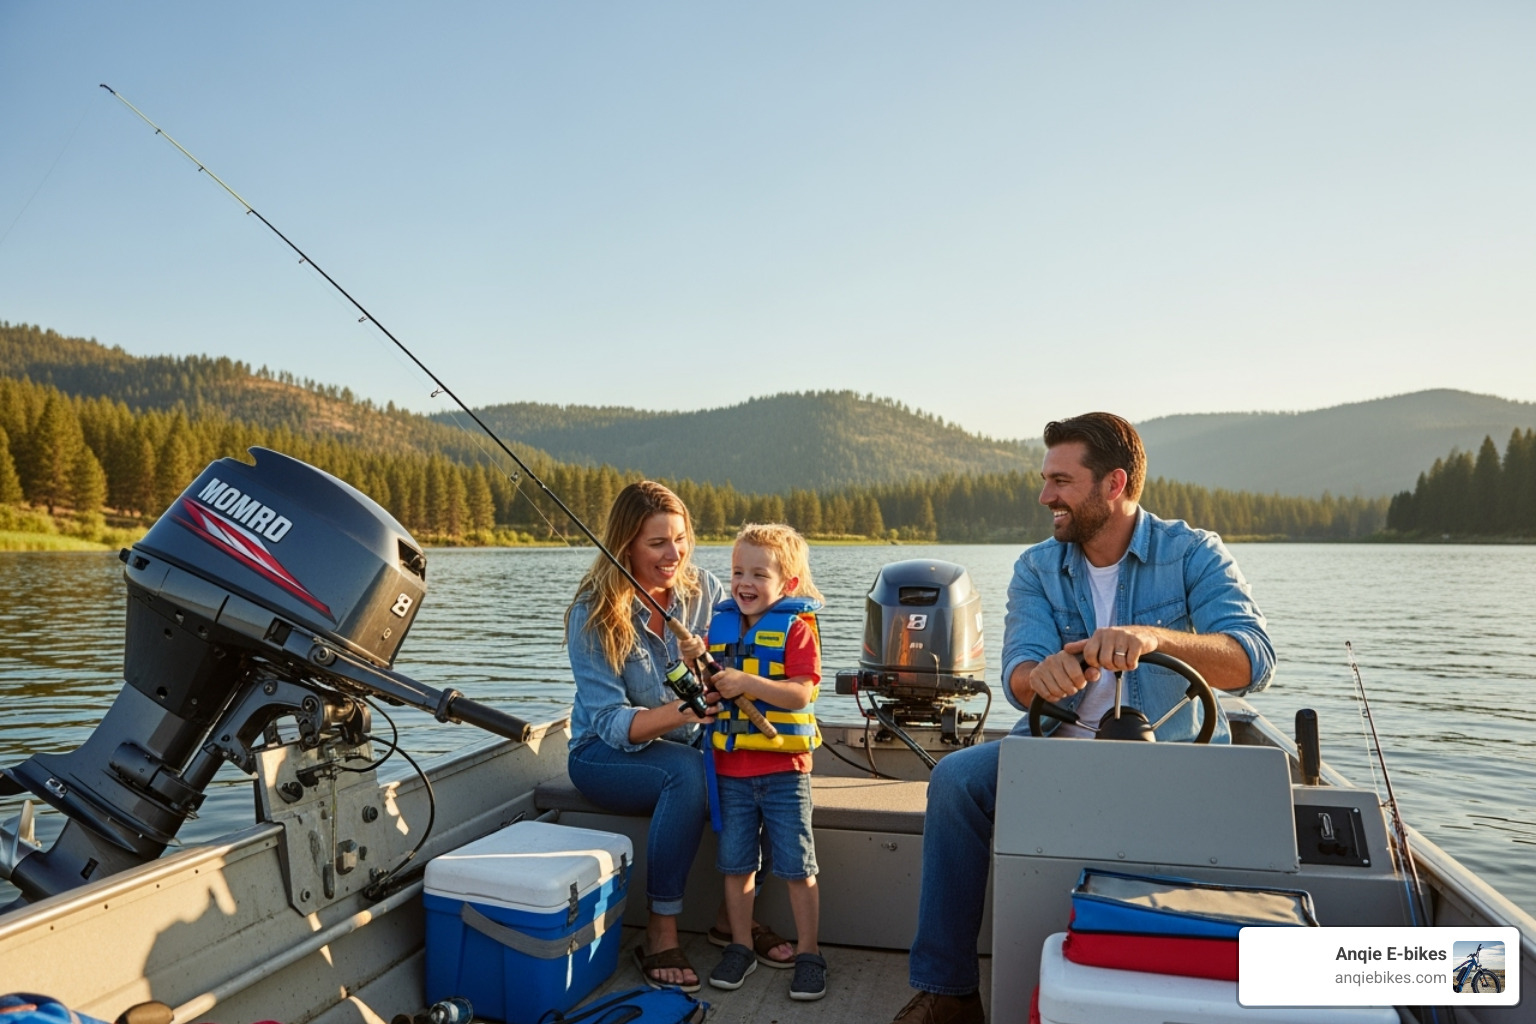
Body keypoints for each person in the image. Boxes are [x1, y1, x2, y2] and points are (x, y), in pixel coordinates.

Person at [889, 412, 1276, 1024]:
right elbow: (1018, 674)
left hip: (1176, 763)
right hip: (1056, 755)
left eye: (1061, 481)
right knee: (957, 780)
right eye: (1046, 480)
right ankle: (949, 992)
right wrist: (1038, 676)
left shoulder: (1194, 552)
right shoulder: (1037, 568)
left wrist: (1153, 639)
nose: (1046, 496)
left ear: (1114, 484)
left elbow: (1251, 658)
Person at [564, 481, 732, 991]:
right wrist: (685, 711)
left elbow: (733, 661)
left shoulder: (705, 590)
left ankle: (735, 921)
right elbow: (612, 723)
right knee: (683, 774)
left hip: (686, 740)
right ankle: (661, 932)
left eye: (680, 539)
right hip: (600, 754)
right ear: (626, 546)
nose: (673, 554)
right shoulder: (591, 614)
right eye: (657, 542)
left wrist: (720, 674)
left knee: (757, 769)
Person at [703, 524, 829, 1001]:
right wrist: (700, 667)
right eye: (737, 571)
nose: (744, 583)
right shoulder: (721, 625)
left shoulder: (796, 629)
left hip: (783, 774)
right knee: (736, 865)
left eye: (759, 573)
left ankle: (810, 952)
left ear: (789, 584)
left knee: (798, 867)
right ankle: (739, 946)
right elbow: (712, 687)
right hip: (731, 772)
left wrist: (746, 684)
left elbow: (800, 694)